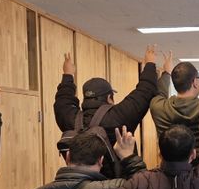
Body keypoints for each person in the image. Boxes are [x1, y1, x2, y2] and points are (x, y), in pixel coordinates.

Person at [53, 46, 158, 174]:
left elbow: (63, 100)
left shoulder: (71, 119)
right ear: (109, 98)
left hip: (81, 182)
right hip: (119, 184)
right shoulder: (119, 116)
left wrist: (67, 75)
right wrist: (150, 64)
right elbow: (145, 91)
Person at [150, 51, 199, 146]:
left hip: (168, 155)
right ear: (195, 82)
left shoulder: (158, 107)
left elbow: (160, 91)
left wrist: (166, 73)